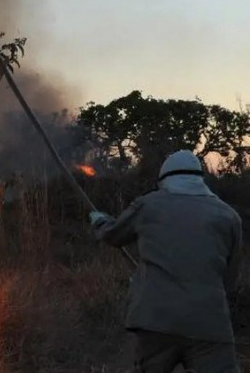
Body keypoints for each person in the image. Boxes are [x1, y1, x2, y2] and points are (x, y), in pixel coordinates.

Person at [90, 150, 244, 372]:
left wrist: (100, 222)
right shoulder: (229, 216)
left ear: (164, 179)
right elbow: (229, 277)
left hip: (155, 321)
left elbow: (113, 235)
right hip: (210, 324)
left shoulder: (148, 205)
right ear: (200, 178)